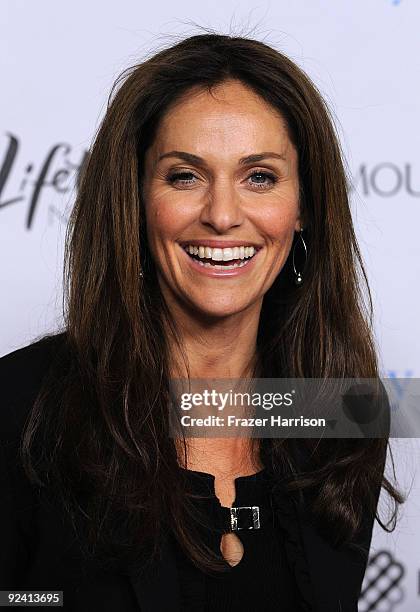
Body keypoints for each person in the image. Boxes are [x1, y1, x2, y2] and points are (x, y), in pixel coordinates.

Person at [0, 32, 403, 611]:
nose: (221, 215)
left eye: (259, 177)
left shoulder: (343, 411)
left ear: (304, 206)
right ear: (134, 199)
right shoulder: (22, 407)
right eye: (184, 176)